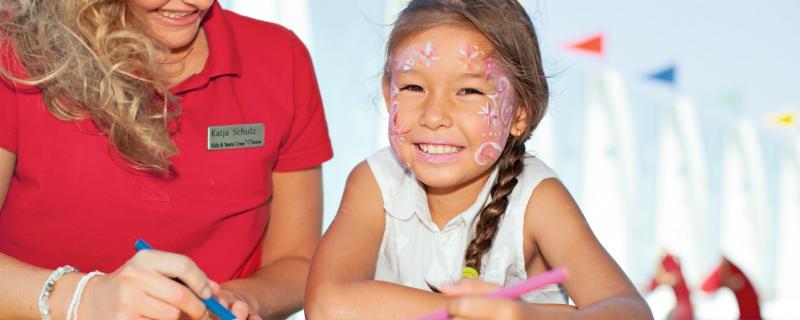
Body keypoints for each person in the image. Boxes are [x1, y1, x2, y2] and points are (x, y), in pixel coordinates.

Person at [305, 0, 652, 318]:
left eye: (468, 91)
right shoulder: (376, 183)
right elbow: (327, 304)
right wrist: (469, 312)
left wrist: (525, 317)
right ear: (388, 93)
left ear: (520, 112)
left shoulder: (536, 200)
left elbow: (631, 311)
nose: (434, 116)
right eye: (413, 88)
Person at [0, 0, 332, 319]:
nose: (195, 2)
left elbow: (296, 261)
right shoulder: (16, 49)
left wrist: (240, 299)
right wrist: (83, 300)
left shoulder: (280, 57)